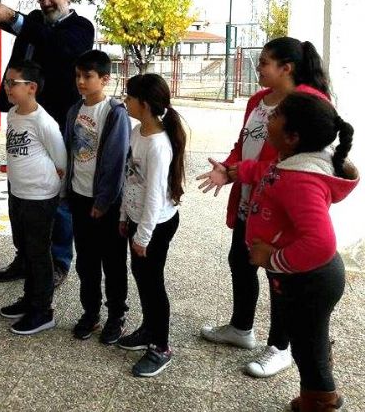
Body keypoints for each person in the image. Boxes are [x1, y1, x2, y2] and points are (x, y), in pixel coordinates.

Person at [197, 37, 332, 378]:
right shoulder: (258, 100)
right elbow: (244, 144)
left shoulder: (308, 104)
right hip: (251, 202)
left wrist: (239, 171)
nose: (257, 68)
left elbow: (294, 165)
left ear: (287, 68)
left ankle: (280, 347)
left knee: (278, 277)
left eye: (264, 63)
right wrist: (227, 168)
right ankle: (241, 328)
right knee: (240, 262)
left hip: (281, 210)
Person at [231, 93, 357, 411]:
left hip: (310, 280)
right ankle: (316, 390)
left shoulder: (300, 179)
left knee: (306, 346)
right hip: (303, 276)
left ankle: (321, 402)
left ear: (292, 136)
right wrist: (239, 171)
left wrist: (271, 258)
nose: (269, 118)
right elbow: (268, 174)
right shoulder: (291, 160)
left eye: (276, 116)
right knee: (308, 340)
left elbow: (321, 242)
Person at [0, 0, 94, 285]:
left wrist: (15, 19)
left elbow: (57, 46)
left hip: (57, 121)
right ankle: (26, 257)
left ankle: (58, 261)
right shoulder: (33, 21)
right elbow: (12, 22)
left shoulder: (81, 27)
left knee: (59, 193)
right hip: (22, 117)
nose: (46, 2)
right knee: (19, 191)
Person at [116, 74, 186, 378]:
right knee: (142, 279)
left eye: (129, 97)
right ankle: (148, 329)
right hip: (137, 219)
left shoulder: (158, 144)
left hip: (155, 225)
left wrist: (143, 236)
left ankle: (161, 346)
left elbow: (155, 196)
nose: (125, 101)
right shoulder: (137, 132)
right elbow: (130, 177)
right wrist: (124, 216)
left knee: (153, 283)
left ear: (143, 104)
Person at [63, 50, 130, 343]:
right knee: (86, 262)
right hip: (79, 198)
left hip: (107, 203)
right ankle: (90, 313)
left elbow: (116, 162)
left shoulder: (114, 113)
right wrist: (66, 192)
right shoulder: (74, 110)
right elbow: (69, 152)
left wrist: (103, 202)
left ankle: (116, 315)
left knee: (113, 262)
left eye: (87, 76)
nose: (81, 81)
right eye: (78, 75)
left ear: (104, 79)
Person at [0, 60, 67, 335]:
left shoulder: (43, 121)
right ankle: (29, 299)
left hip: (40, 197)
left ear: (32, 87)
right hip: (18, 193)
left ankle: (43, 311)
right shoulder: (13, 114)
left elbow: (61, 160)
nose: (7, 87)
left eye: (12, 83)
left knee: (39, 253)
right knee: (25, 249)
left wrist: (57, 192)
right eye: (6, 82)